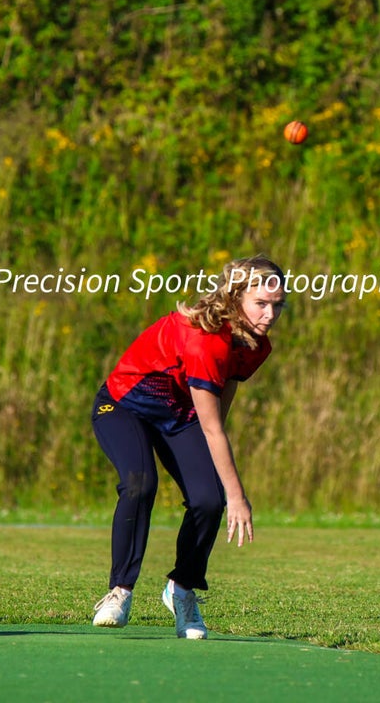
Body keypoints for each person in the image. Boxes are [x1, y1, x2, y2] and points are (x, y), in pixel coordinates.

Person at [91, 255, 285, 639]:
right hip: (123, 407)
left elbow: (218, 412)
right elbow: (212, 429)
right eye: (261, 303)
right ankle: (120, 591)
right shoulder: (205, 341)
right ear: (235, 297)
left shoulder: (255, 345)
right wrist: (238, 497)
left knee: (208, 500)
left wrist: (216, 485)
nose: (270, 315)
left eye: (277, 305)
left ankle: (181, 589)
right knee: (140, 483)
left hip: (179, 417)